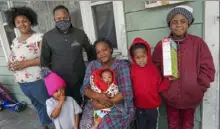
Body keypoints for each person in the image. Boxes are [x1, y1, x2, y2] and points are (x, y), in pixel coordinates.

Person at [152, 5, 215, 129]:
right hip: (170, 95)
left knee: (188, 124)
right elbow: (156, 68)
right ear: (170, 25)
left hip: (192, 95)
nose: (179, 25)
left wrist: (200, 87)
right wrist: (163, 88)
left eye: (183, 21)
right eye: (174, 22)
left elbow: (207, 67)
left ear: (189, 24)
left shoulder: (198, 43)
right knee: (172, 123)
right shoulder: (163, 45)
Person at [6, 6, 52, 129]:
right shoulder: (15, 40)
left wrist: (25, 64)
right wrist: (10, 63)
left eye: (24, 21)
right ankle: (45, 125)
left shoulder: (39, 37)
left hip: (36, 79)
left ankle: (63, 124)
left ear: (30, 21)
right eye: (18, 22)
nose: (22, 24)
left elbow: (45, 59)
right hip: (21, 81)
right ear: (14, 24)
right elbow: (13, 55)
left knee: (49, 104)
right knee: (37, 104)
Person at [40, 5, 96, 104]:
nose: (62, 20)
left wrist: (92, 70)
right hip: (60, 81)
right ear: (54, 19)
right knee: (65, 106)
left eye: (65, 18)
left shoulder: (80, 33)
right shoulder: (48, 36)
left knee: (81, 103)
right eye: (59, 18)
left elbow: (91, 52)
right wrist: (50, 79)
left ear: (69, 17)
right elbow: (44, 60)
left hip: (79, 78)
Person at [80, 38, 135, 129]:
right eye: (98, 52)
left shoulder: (121, 66)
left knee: (105, 126)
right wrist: (97, 98)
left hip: (117, 104)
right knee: (85, 125)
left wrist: (104, 104)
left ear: (110, 49)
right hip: (94, 102)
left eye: (104, 50)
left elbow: (126, 92)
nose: (102, 54)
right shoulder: (93, 65)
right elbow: (85, 89)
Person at [129, 37, 170, 129]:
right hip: (139, 106)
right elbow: (129, 87)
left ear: (147, 54)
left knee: (152, 127)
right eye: (138, 57)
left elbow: (159, 86)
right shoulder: (132, 70)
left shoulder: (153, 69)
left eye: (143, 56)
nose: (141, 60)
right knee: (141, 126)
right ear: (133, 58)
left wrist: (168, 80)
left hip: (153, 107)